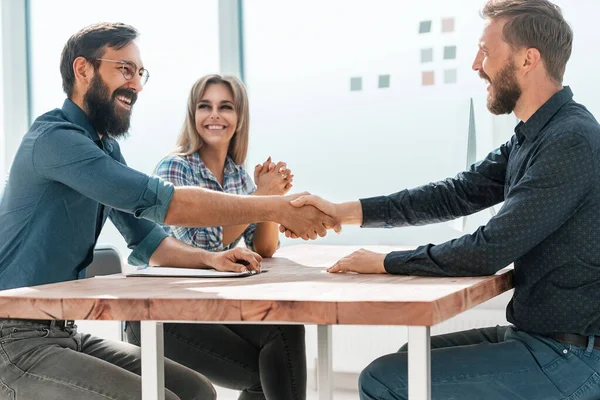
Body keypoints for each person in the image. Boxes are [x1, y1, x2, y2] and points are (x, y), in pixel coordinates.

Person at [0, 23, 337, 400]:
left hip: (63, 332)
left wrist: (210, 258)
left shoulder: (103, 149)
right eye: (124, 69)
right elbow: (166, 203)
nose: (137, 85)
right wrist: (275, 205)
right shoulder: (55, 141)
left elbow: (148, 240)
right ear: (83, 70)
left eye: (139, 72)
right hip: (13, 342)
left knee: (196, 391)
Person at [283, 1, 600, 399]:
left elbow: (490, 248)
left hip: (572, 357)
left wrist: (383, 262)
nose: (475, 64)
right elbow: (456, 193)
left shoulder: (570, 140)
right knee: (409, 362)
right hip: (540, 339)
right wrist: (343, 212)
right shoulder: (534, 135)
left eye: (486, 51)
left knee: (385, 380)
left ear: (527, 59)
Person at [126, 75, 306, 400]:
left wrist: (268, 202)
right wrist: (261, 198)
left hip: (206, 305)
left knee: (285, 329)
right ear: (193, 115)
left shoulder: (237, 174)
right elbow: (204, 246)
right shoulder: (174, 168)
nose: (215, 115)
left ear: (239, 118)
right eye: (204, 106)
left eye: (226, 107)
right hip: (162, 312)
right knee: (272, 365)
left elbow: (263, 247)